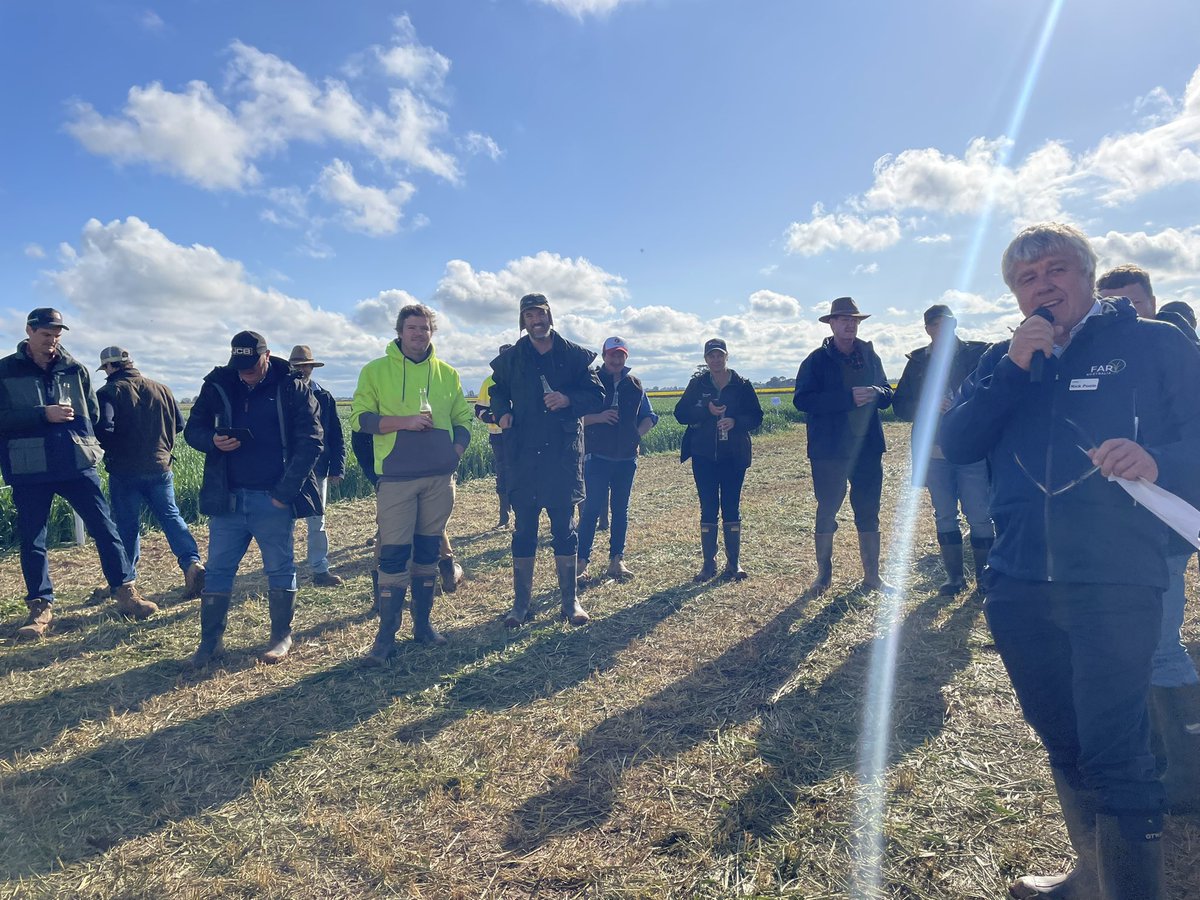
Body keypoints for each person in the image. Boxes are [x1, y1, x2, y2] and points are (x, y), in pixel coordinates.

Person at [942, 223, 1200, 898]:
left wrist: (1160, 462)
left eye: (1056, 269)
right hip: (1020, 583)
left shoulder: (1153, 345)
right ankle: (1091, 874)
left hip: (1116, 580)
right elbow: (960, 442)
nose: (1043, 285)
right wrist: (1011, 369)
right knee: (1061, 737)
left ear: (1087, 275)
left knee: (1117, 750)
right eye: (1027, 278)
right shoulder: (1004, 358)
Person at [1097, 265, 1200, 813]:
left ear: (1152, 305)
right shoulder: (1099, 363)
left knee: (1160, 646)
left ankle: (1188, 780)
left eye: (1129, 306)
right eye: (1107, 306)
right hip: (1111, 535)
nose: (1118, 317)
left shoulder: (1176, 355)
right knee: (1128, 648)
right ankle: (1159, 753)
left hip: (1164, 527)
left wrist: (1158, 461)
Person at [1, 309, 158, 638]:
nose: (52, 341)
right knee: (33, 539)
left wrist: (88, 446)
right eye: (46, 334)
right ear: (29, 331)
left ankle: (125, 591)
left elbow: (94, 414)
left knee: (105, 527)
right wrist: (42, 415)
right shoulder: (6, 370)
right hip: (30, 467)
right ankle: (40, 607)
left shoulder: (75, 369)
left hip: (75, 463)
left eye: (57, 334)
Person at [184, 331, 323, 666]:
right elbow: (192, 430)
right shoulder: (219, 383)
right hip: (228, 498)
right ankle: (209, 644)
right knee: (217, 571)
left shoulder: (292, 387)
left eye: (251, 364)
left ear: (267, 355)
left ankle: (281, 637)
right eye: (239, 364)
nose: (244, 371)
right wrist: (213, 441)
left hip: (271, 498)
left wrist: (283, 495)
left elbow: (312, 441)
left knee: (279, 567)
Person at [351, 303, 473, 664]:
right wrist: (403, 422)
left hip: (439, 479)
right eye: (412, 328)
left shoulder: (448, 373)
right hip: (397, 478)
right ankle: (385, 638)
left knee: (427, 552)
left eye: (425, 328)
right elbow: (360, 419)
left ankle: (423, 627)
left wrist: (456, 452)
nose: (419, 334)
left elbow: (463, 417)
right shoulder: (375, 371)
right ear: (399, 332)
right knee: (392, 554)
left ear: (432, 332)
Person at [489, 293, 604, 627]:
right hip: (523, 455)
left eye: (540, 314)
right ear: (522, 321)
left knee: (565, 531)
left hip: (561, 458)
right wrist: (503, 412)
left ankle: (570, 602)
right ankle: (521, 605)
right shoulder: (512, 358)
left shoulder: (574, 356)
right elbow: (497, 390)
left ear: (550, 316)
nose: (535, 320)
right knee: (523, 531)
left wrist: (567, 398)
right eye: (528, 315)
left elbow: (596, 396)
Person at [793, 297, 895, 595]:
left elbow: (888, 393)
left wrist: (875, 392)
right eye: (843, 320)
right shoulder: (815, 360)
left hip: (867, 447)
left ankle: (872, 577)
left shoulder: (870, 356)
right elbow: (803, 400)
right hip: (829, 450)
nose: (850, 324)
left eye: (855, 320)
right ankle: (823, 577)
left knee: (868, 509)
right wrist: (847, 398)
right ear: (831, 323)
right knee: (827, 509)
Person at [892, 305, 993, 595]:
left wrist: (963, 405)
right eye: (935, 325)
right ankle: (954, 580)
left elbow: (992, 394)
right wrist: (927, 405)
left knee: (980, 516)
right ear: (927, 329)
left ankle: (985, 583)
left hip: (972, 450)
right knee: (945, 515)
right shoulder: (917, 362)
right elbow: (900, 406)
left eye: (947, 323)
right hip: (935, 454)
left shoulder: (978, 355)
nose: (942, 329)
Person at [95, 345, 205, 600]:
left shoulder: (109, 392)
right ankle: (192, 564)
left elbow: (105, 429)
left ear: (111, 367)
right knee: (171, 516)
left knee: (127, 525)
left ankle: (125, 580)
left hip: (125, 471)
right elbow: (179, 424)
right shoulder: (162, 388)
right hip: (161, 466)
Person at [673, 338, 763, 582]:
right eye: (711, 356)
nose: (716, 359)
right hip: (703, 456)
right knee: (708, 508)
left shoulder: (741, 385)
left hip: (734, 456)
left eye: (719, 355)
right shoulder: (697, 384)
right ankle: (708, 564)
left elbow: (756, 416)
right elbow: (680, 414)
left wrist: (735, 422)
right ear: (705, 359)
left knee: (731, 506)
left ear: (727, 356)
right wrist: (706, 412)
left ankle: (733, 563)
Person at [577, 336, 659, 584]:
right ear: (604, 356)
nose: (616, 359)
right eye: (612, 354)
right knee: (590, 510)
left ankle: (617, 559)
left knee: (620, 510)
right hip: (596, 457)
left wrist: (636, 436)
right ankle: (581, 563)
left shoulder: (634, 385)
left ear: (626, 357)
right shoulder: (590, 381)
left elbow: (649, 416)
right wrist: (599, 417)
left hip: (626, 459)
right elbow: (576, 417)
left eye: (620, 354)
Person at [288, 345, 347, 588]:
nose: (302, 370)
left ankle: (320, 570)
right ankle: (285, 571)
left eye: (306, 365)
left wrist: (338, 467)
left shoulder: (325, 396)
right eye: (298, 366)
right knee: (285, 522)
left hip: (318, 467)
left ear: (312, 367)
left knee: (317, 520)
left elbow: (336, 435)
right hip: (287, 468)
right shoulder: (280, 394)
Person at [475, 344, 514, 529]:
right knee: (503, 473)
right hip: (499, 436)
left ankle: (523, 515)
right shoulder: (489, 382)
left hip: (522, 436)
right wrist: (496, 418)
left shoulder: (523, 377)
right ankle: (504, 517)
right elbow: (479, 409)